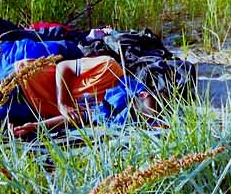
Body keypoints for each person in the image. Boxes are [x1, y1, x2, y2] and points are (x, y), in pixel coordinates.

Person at [8, 55, 156, 137]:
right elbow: (63, 66)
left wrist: (35, 127)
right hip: (21, 79)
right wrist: (62, 103)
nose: (124, 112)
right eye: (130, 109)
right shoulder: (108, 67)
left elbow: (79, 117)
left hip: (27, 109)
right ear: (142, 94)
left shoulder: (111, 108)